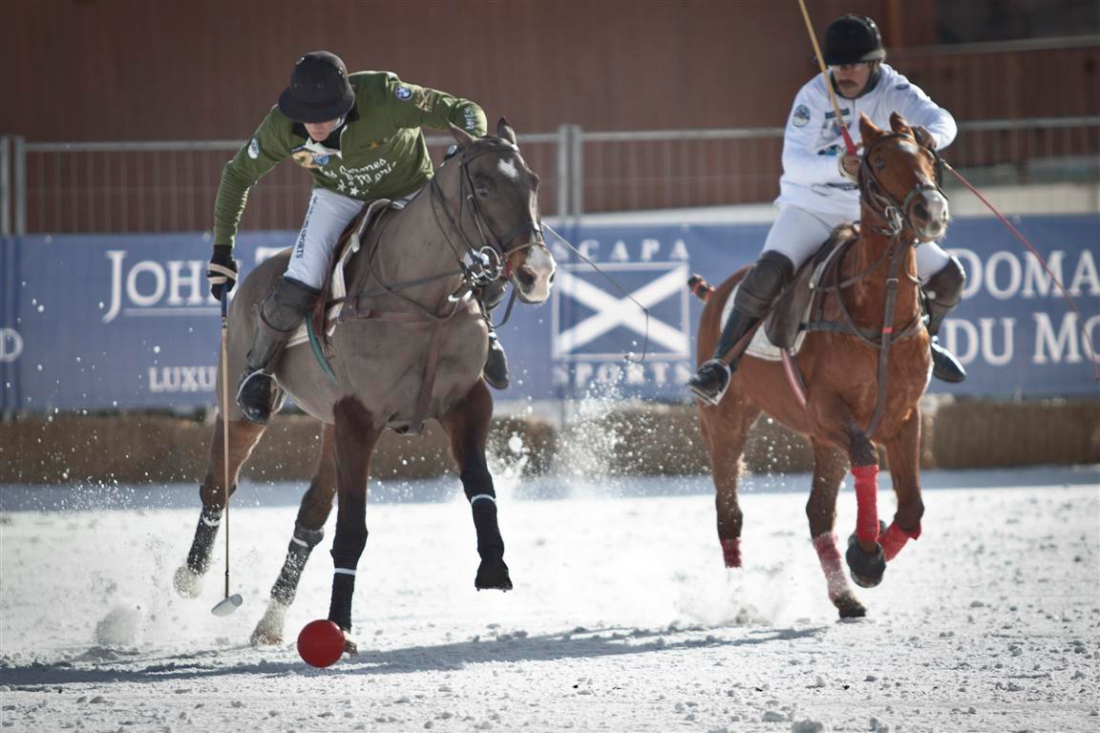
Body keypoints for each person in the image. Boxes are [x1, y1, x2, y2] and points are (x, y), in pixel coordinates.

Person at [206, 51, 507, 425]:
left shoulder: (384, 95)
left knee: (471, 257)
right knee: (304, 273)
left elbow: (464, 109)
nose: (315, 125)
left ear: (346, 102)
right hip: (338, 196)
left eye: (326, 114)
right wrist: (222, 249)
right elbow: (237, 175)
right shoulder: (281, 125)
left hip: (410, 189)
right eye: (307, 115)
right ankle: (257, 370)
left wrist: (471, 146)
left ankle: (486, 332)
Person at [689, 14, 968, 406]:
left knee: (949, 279)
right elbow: (794, 162)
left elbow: (945, 122)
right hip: (812, 207)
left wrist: (929, 136)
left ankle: (928, 340)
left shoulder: (893, 87)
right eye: (837, 65)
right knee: (768, 274)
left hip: (872, 214)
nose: (843, 73)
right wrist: (838, 166)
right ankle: (721, 365)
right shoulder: (814, 95)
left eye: (853, 64)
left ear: (873, 63)